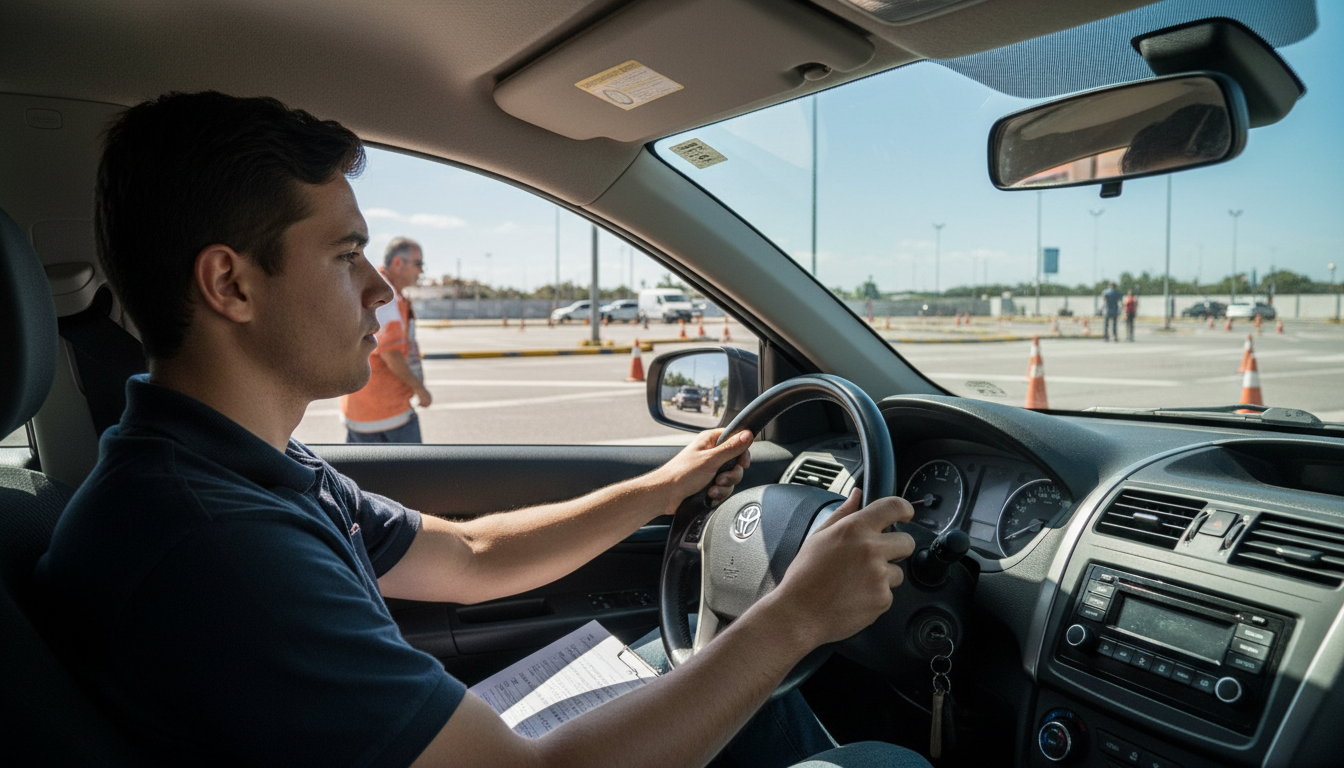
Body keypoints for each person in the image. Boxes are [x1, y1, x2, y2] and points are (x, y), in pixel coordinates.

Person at [35, 91, 930, 768]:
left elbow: (470, 556)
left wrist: (662, 486)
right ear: (230, 284)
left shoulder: (232, 466)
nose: (381, 292)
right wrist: (796, 617)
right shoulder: (217, 544)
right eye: (347, 257)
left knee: (702, 682)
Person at [340, 237, 430, 442]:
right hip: (386, 414)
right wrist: (420, 389)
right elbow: (391, 353)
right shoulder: (386, 297)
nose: (421, 271)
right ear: (398, 263)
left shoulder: (370, 288)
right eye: (418, 264)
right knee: (411, 473)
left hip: (360, 409)